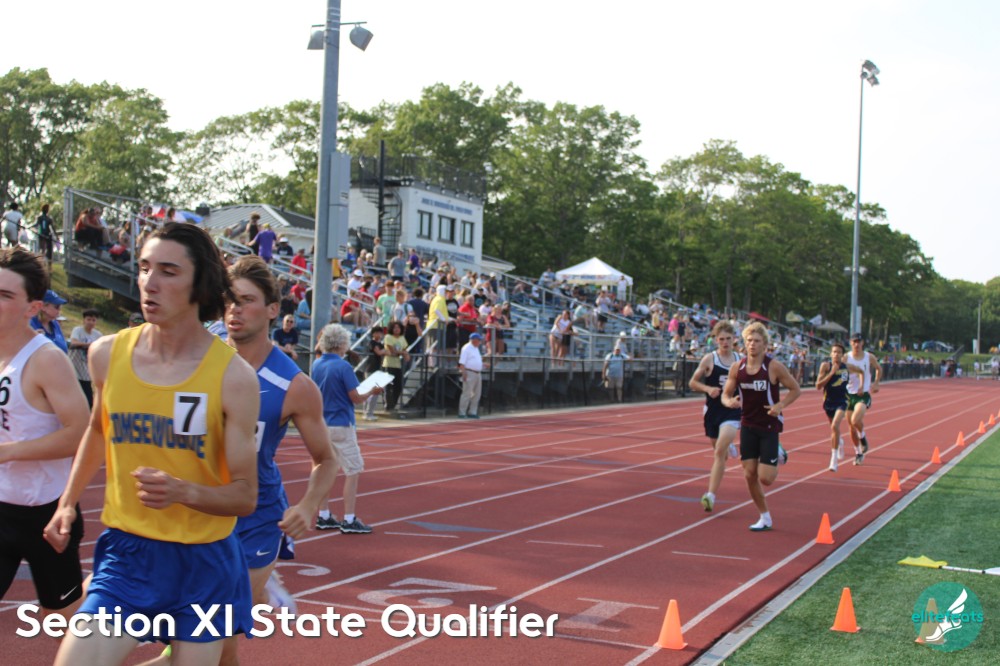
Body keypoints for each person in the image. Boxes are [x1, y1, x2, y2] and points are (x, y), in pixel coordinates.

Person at [43, 222, 260, 665]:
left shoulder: (233, 378)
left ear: (200, 284)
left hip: (204, 564)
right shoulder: (106, 354)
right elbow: (98, 430)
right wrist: (67, 503)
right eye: (144, 268)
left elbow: (245, 496)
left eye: (168, 271)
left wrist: (184, 492)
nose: (149, 282)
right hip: (129, 555)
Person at [221, 255, 338, 665]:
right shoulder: (200, 360)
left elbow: (326, 458)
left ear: (273, 310)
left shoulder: (293, 385)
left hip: (256, 517)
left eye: (246, 300)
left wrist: (308, 505)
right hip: (198, 506)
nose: (234, 310)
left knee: (216, 632)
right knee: (210, 640)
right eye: (228, 300)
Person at [0, 248, 90, 620]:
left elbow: (79, 432)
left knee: (65, 614)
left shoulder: (46, 360)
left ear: (32, 307)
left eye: (5, 295)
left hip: (45, 513)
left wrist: (8, 452)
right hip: (2, 506)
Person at [722, 321, 800, 532]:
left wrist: (780, 405)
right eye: (749, 340)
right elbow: (725, 394)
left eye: (756, 341)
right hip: (748, 424)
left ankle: (778, 451)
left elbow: (795, 389)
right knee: (749, 475)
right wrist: (729, 402)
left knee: (766, 479)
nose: (752, 344)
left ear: (765, 345)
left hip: (768, 426)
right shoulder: (737, 368)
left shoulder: (773, 367)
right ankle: (764, 517)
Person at [312, 324, 382, 534]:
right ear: (342, 343)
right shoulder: (343, 366)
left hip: (322, 424)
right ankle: (349, 518)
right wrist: (372, 391)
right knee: (353, 470)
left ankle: (324, 515)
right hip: (341, 423)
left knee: (325, 471)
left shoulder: (316, 364)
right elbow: (356, 398)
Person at [689, 321, 743, 511]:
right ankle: (728, 445)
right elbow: (692, 382)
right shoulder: (709, 359)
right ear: (715, 340)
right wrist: (707, 388)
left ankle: (710, 496)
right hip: (712, 411)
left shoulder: (741, 360)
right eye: (721, 339)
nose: (725, 342)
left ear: (734, 339)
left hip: (732, 410)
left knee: (719, 452)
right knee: (721, 452)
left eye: (728, 338)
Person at [845, 332, 882, 465]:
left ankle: (863, 438)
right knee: (851, 427)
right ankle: (858, 453)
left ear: (862, 343)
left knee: (855, 420)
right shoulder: (846, 357)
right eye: (854, 342)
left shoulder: (868, 357)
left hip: (863, 394)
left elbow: (878, 368)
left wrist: (876, 383)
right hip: (848, 394)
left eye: (859, 342)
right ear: (850, 343)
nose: (856, 344)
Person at [815, 342, 850, 472]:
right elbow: (818, 386)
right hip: (829, 402)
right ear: (831, 354)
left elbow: (861, 372)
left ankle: (833, 460)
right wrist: (831, 373)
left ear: (842, 355)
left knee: (835, 426)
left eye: (839, 352)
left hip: (842, 401)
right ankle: (840, 441)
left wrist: (863, 385)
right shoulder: (825, 366)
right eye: (834, 352)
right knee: (834, 429)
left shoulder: (847, 367)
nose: (836, 354)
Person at [68, 308, 103, 407]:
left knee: (88, 401)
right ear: (84, 320)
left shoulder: (98, 335)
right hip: (74, 370)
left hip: (86, 373)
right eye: (88, 319)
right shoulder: (78, 330)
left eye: (93, 320)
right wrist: (90, 345)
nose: (91, 322)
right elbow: (74, 342)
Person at [382, 321, 409, 411]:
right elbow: (392, 351)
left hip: (398, 365)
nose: (397, 329)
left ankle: (393, 404)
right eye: (394, 327)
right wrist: (403, 353)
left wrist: (405, 354)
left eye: (398, 327)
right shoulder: (388, 337)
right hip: (388, 364)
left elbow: (405, 350)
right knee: (388, 386)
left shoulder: (402, 338)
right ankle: (387, 405)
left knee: (398, 386)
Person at [457, 332, 484, 418]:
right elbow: (462, 362)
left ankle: (472, 412)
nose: (480, 342)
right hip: (469, 372)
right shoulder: (466, 348)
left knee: (477, 394)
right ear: (474, 340)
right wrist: (464, 373)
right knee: (466, 393)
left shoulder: (476, 348)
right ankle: (462, 412)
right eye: (479, 340)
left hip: (477, 373)